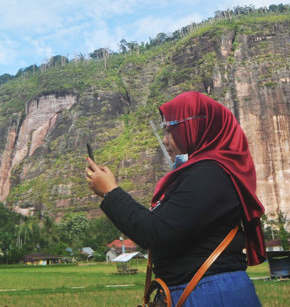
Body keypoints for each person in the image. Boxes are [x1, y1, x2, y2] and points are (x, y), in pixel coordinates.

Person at [86, 91, 265, 306]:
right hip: (201, 290)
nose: (165, 139)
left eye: (171, 130)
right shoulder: (201, 173)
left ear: (194, 128)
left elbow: (154, 231)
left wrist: (111, 192)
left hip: (210, 294)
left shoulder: (209, 174)